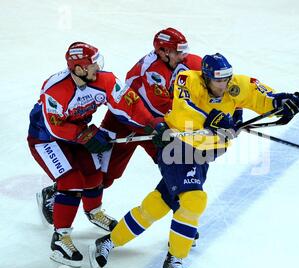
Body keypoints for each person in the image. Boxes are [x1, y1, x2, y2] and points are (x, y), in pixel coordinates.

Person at [88, 53, 299, 268]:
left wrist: (281, 102)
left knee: (157, 205)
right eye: (219, 80)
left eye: (227, 78)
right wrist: (213, 118)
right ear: (206, 78)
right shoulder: (187, 80)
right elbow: (183, 108)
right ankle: (174, 260)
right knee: (194, 200)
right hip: (176, 148)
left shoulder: (237, 85)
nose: (224, 84)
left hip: (202, 155)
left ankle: (109, 241)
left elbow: (262, 96)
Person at [36, 29, 204, 242]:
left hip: (156, 124)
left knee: (178, 164)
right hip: (124, 122)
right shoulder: (148, 70)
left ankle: (183, 220)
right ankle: (57, 191)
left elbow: (215, 87)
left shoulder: (193, 64)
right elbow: (137, 105)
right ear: (163, 51)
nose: (184, 56)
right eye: (178, 51)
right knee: (102, 175)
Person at [27, 41, 161, 267]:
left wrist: (151, 124)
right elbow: (55, 127)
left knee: (94, 173)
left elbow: (129, 103)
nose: (97, 68)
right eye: (92, 65)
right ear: (78, 69)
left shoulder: (105, 80)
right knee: (71, 181)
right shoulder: (55, 89)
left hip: (78, 133)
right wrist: (85, 136)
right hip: (45, 138)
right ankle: (60, 238)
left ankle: (93, 211)